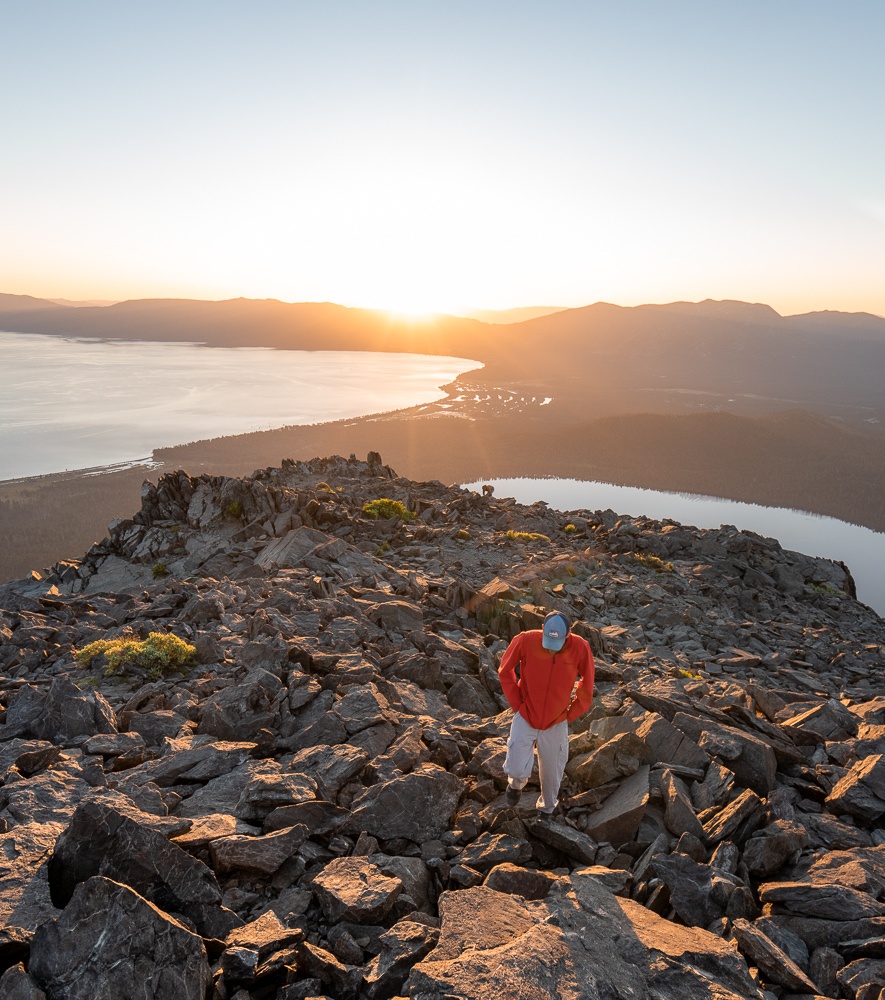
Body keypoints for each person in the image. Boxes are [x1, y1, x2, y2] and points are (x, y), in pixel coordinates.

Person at [497, 610, 595, 814]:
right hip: (526, 714)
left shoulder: (580, 647)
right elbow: (505, 671)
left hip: (557, 721)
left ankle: (547, 810)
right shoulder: (524, 640)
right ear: (542, 629)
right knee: (515, 768)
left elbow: (587, 682)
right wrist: (517, 704)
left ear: (568, 635)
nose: (551, 650)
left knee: (552, 775)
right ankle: (516, 786)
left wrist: (571, 712)